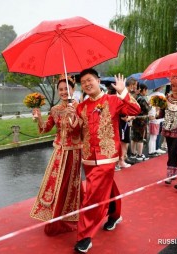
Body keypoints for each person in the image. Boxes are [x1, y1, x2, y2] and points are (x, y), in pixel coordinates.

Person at [74, 69, 141, 253]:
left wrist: (123, 91)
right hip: (88, 158)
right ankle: (115, 214)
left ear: (98, 80)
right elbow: (77, 131)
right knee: (107, 187)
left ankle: (85, 236)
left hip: (107, 156)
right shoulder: (81, 107)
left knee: (92, 195)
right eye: (83, 82)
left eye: (90, 80)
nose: (87, 84)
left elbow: (135, 109)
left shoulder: (113, 100)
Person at [30, 75, 82, 236]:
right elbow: (46, 128)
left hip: (73, 152)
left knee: (69, 185)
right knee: (55, 185)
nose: (64, 92)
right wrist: (39, 118)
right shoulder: (55, 109)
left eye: (67, 88)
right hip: (59, 152)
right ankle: (54, 216)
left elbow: (80, 130)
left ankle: (68, 217)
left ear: (73, 89)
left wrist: (75, 115)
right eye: (60, 89)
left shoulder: (80, 107)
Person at [160, 75, 177, 184]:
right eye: (173, 86)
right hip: (168, 128)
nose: (175, 88)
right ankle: (174, 169)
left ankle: (169, 173)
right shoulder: (166, 98)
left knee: (174, 150)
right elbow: (161, 114)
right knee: (170, 151)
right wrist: (159, 106)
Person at [117, 78, 137, 169]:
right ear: (131, 85)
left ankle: (122, 160)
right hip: (121, 122)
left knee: (125, 142)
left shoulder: (129, 95)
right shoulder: (121, 95)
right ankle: (120, 161)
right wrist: (127, 117)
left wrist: (131, 116)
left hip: (127, 121)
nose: (135, 87)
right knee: (122, 142)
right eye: (134, 85)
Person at [130, 84, 150, 161]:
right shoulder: (142, 99)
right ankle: (139, 154)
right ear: (143, 90)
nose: (147, 91)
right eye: (146, 90)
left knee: (134, 137)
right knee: (140, 138)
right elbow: (147, 109)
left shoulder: (135, 97)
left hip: (135, 119)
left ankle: (133, 153)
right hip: (141, 120)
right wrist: (150, 105)